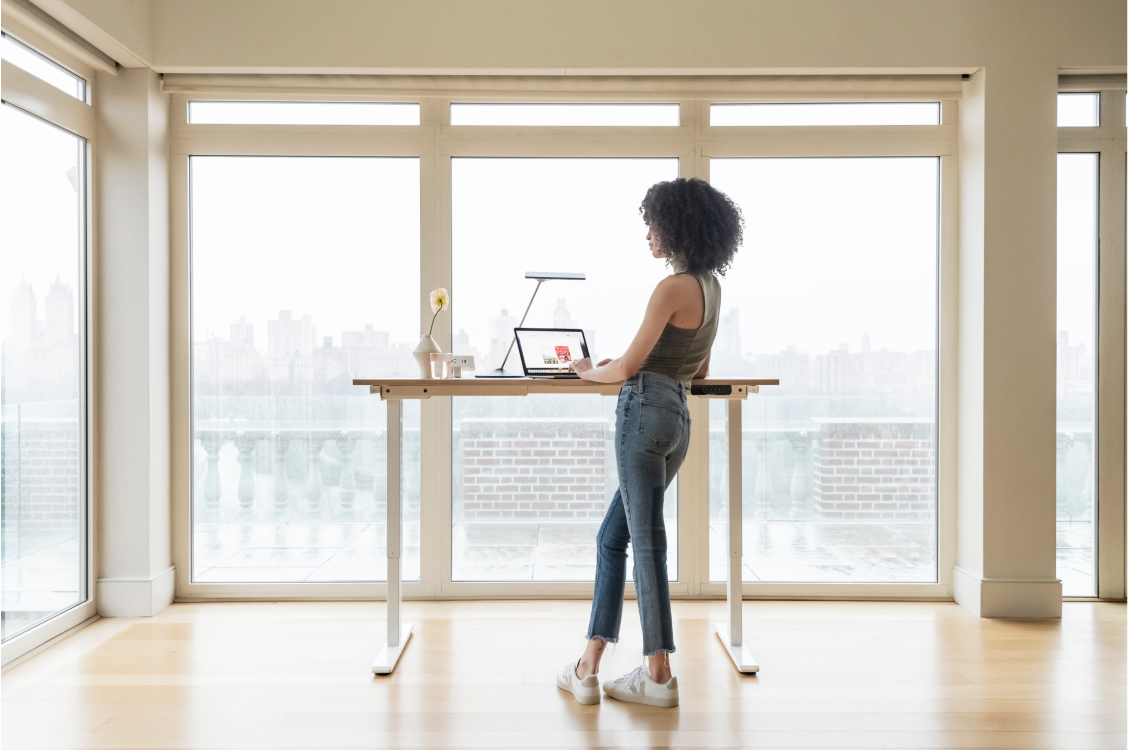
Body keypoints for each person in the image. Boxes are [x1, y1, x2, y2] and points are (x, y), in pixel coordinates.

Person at [556, 177, 744, 708]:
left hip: (642, 412)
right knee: (613, 537)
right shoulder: (710, 287)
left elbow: (629, 369)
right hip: (678, 417)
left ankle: (658, 674)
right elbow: (699, 366)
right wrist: (634, 366)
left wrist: (587, 371)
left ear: (675, 225)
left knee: (648, 541)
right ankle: (588, 666)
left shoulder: (670, 288)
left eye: (653, 224)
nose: (648, 234)